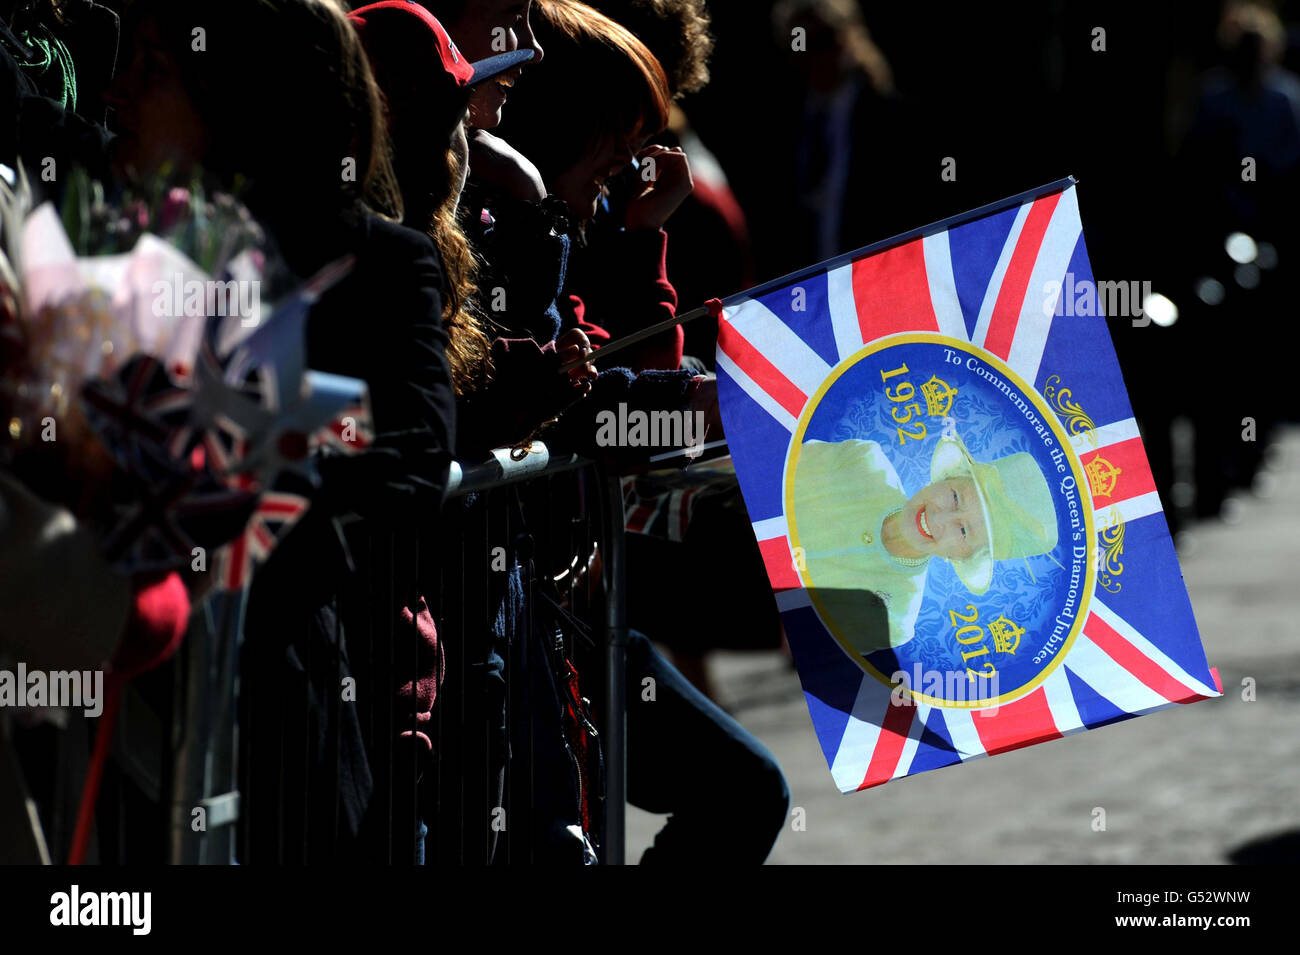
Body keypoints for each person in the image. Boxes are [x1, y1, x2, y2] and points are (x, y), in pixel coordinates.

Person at [108, 0, 456, 863]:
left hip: (280, 700)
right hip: (121, 716)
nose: (116, 94)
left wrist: (265, 449)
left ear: (233, 98)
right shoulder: (118, 250)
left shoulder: (375, 259)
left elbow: (415, 444)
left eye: (152, 69)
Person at [791, 434, 1059, 655]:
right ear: (944, 478)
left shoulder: (895, 618)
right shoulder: (862, 462)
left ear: (963, 557)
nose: (940, 518)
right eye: (955, 497)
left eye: (964, 531)